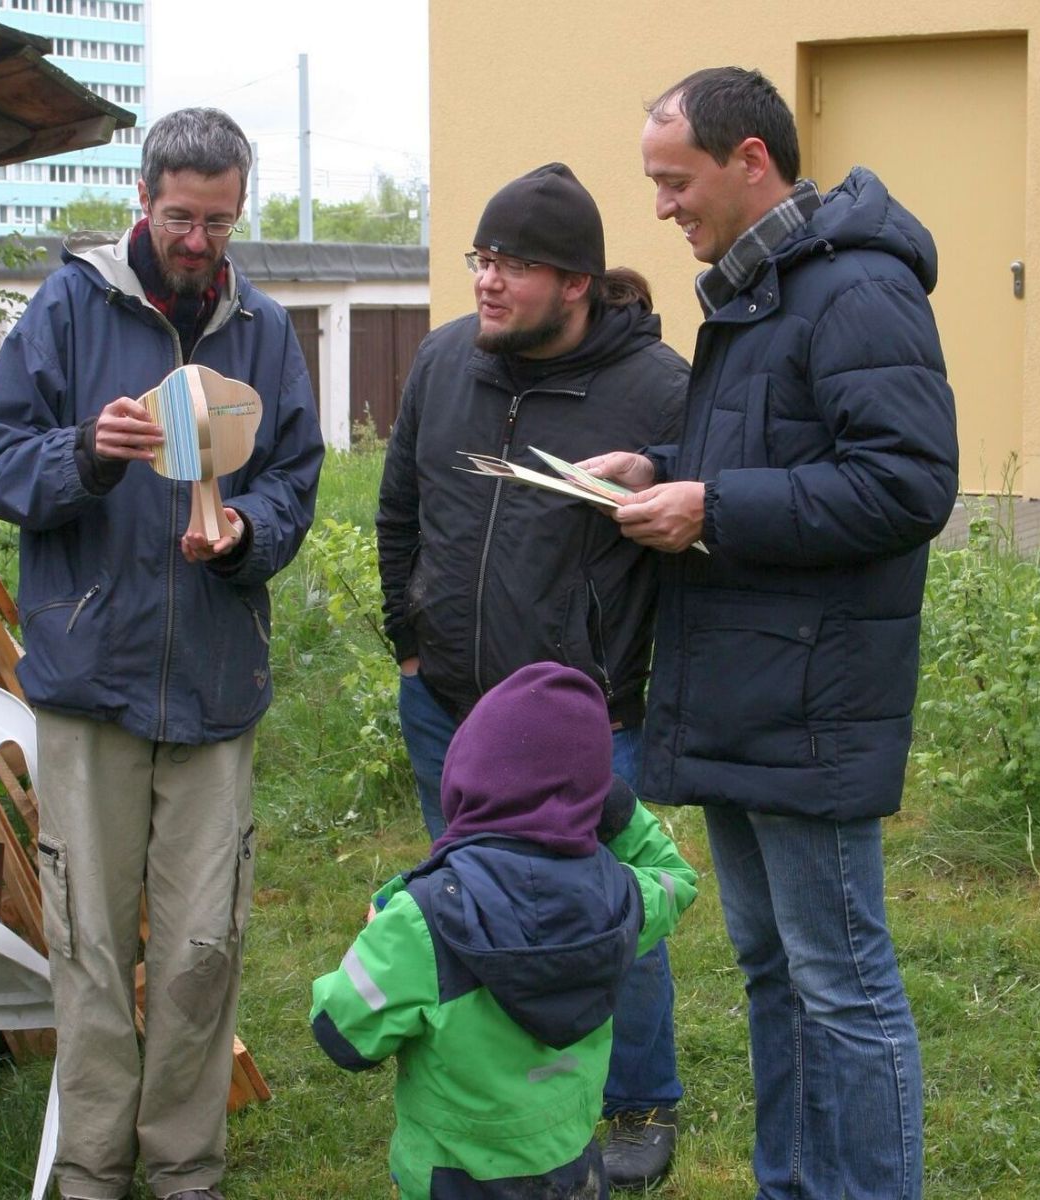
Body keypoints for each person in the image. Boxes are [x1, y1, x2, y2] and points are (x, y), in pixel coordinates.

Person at [582, 67, 959, 1200]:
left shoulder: (853, 291)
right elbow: (780, 459)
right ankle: (793, 1185)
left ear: (752, 161)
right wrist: (666, 473)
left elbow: (905, 484)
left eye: (675, 181)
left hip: (812, 697)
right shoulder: (755, 293)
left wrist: (714, 507)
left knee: (841, 983)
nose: (660, 210)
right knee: (772, 971)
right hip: (749, 687)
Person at [0, 107, 324, 1200]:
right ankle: (88, 1172)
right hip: (89, 685)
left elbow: (295, 479)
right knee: (86, 944)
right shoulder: (69, 308)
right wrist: (89, 452)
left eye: (220, 219)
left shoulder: (260, 324)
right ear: (144, 201)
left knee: (200, 949)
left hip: (215, 685)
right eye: (182, 216)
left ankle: (182, 1169)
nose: (201, 240)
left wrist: (246, 535)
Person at [375, 161, 693, 1187]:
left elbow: (708, 524)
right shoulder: (441, 365)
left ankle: (638, 1094)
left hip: (582, 724)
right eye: (482, 257)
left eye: (514, 264)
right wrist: (411, 646)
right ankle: (510, 1089)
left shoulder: (658, 391)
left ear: (576, 284)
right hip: (451, 708)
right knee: (470, 908)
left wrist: (655, 469)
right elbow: (398, 514)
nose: (487, 281)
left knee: (609, 913)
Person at [310, 663, 698, 1199]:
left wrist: (378, 934)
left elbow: (341, 1032)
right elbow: (678, 878)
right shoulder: (620, 899)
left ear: (463, 776)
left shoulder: (418, 920)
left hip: (453, 1180)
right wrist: (614, 806)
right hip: (573, 1171)